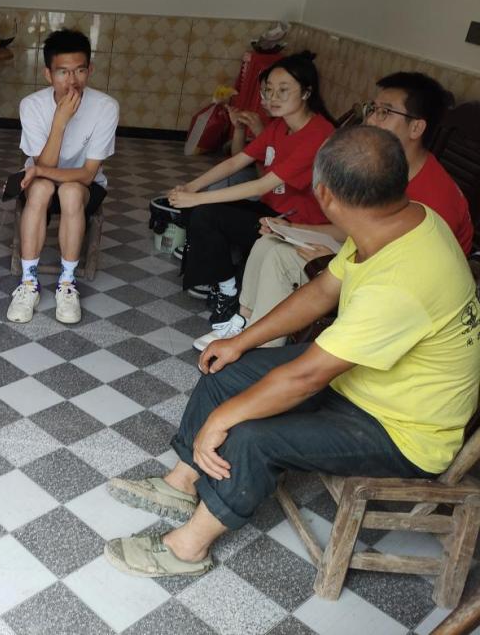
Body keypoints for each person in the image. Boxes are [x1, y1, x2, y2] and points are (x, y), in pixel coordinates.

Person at [103, 125, 480, 579]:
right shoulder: (398, 220)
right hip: (364, 381)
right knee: (227, 369)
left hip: (403, 429)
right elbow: (322, 291)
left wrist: (221, 420)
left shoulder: (402, 281)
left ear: (325, 195)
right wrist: (240, 340)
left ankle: (188, 549)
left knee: (251, 435)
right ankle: (182, 483)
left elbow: (306, 378)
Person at [195, 72, 472, 351]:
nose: (370, 120)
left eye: (385, 112)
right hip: (366, 254)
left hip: (400, 287)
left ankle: (261, 348)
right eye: (372, 109)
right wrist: (293, 229)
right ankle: (245, 323)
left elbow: (411, 275)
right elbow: (357, 228)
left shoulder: (435, 198)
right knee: (270, 240)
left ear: (416, 128)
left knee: (281, 257)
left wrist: (334, 261)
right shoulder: (385, 171)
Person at [168, 51, 334, 327]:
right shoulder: (279, 126)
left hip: (296, 225)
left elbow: (262, 184)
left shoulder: (318, 134)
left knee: (204, 211)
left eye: (283, 90)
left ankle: (227, 289)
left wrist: (196, 198)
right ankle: (225, 283)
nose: (273, 97)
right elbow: (236, 161)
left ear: (307, 92)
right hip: (271, 211)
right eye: (268, 90)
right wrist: (191, 187)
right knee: (198, 209)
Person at [5, 29, 119, 324]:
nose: (72, 81)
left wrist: (40, 170)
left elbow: (88, 173)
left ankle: (67, 284)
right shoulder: (32, 105)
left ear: (90, 70)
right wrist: (59, 122)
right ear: (48, 74)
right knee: (41, 189)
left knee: (69, 191)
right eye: (62, 72)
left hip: (83, 187)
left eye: (79, 70)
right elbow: (43, 164)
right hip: (40, 183)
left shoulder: (106, 107)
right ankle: (29, 283)